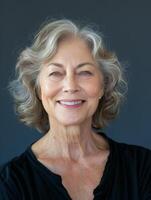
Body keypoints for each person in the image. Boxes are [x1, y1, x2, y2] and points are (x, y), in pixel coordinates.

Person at [0, 19, 150, 200]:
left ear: (103, 86)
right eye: (56, 73)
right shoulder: (10, 183)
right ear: (38, 89)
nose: (70, 86)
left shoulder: (141, 168)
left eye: (85, 72)